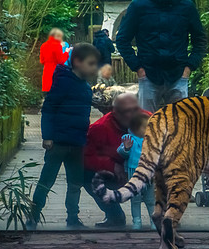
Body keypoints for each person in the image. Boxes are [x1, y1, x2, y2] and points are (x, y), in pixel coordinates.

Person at [27, 43, 101, 230]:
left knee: (75, 183)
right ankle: (33, 216)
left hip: (77, 142)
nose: (94, 68)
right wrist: (47, 136)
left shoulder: (85, 87)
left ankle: (73, 217)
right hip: (58, 142)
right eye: (91, 63)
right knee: (47, 180)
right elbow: (49, 108)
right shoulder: (62, 82)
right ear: (77, 62)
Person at [116, 0, 206, 113]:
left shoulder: (187, 7)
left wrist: (189, 67)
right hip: (148, 75)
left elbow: (200, 40)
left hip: (178, 74)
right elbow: (122, 39)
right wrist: (137, 67)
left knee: (179, 124)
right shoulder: (138, 7)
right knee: (146, 124)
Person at [82, 93, 141, 228]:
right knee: (86, 176)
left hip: (144, 170)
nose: (132, 115)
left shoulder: (146, 120)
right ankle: (115, 216)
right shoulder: (99, 128)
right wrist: (112, 165)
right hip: (116, 174)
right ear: (115, 112)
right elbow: (86, 157)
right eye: (127, 111)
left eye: (135, 110)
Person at [117, 111, 155, 230]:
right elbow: (121, 152)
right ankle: (136, 221)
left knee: (151, 199)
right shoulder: (128, 139)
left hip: (150, 173)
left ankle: (154, 221)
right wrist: (126, 149)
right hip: (134, 173)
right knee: (135, 199)